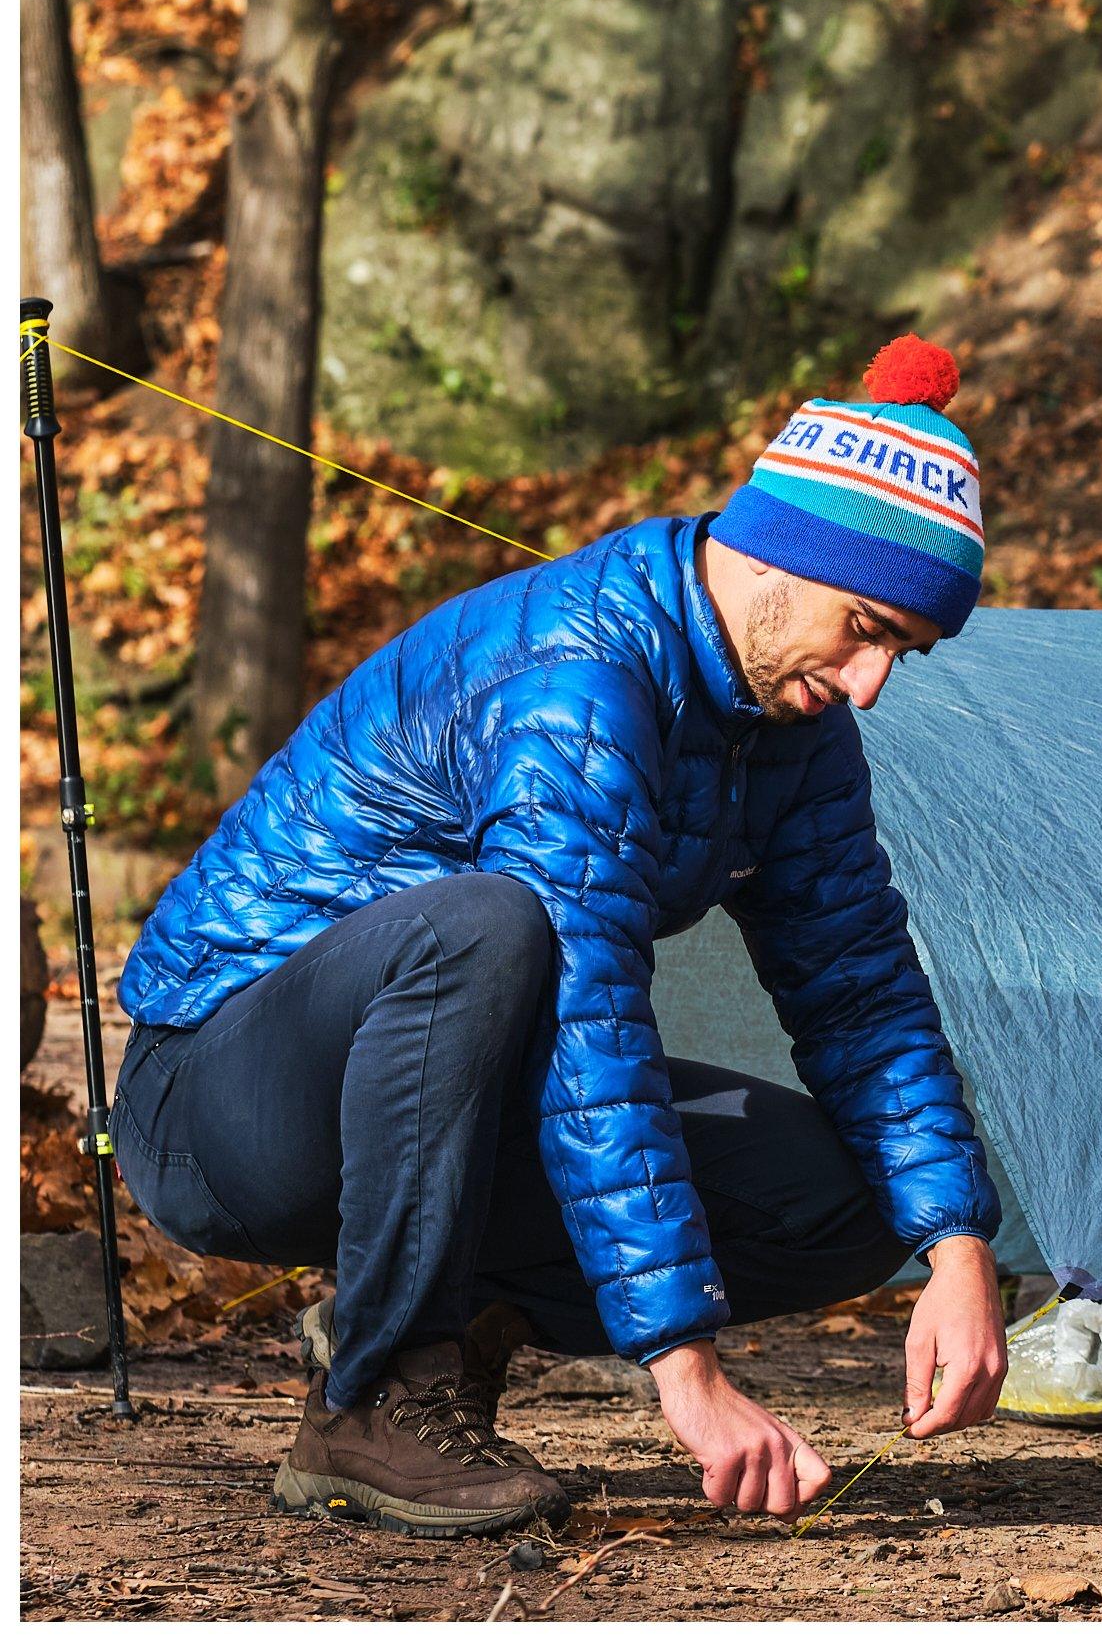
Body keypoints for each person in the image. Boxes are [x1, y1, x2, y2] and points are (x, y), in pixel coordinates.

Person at [114, 334, 1008, 1536]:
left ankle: (451, 1320)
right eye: (866, 627)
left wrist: (957, 1250)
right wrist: (685, 1379)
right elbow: (586, 1017)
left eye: (904, 648)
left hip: (437, 1105)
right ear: (780, 555)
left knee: (847, 1195)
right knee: (492, 926)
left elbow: (859, 991)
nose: (870, 683)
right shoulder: (577, 676)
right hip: (219, 1099)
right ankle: (378, 1396)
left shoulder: (798, 736)